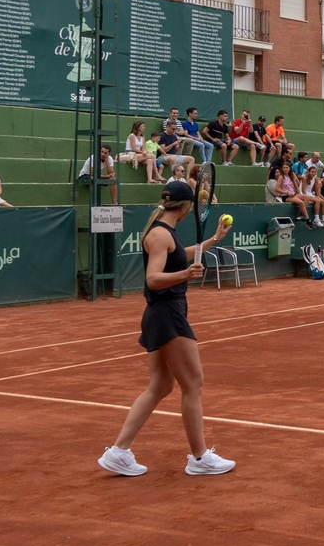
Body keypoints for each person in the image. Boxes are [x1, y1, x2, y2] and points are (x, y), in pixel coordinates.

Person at [98, 179, 235, 478]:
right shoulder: (160, 234)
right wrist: (185, 274)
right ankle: (199, 458)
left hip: (160, 314)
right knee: (194, 384)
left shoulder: (160, 230)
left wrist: (212, 240)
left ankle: (119, 452)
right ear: (185, 207)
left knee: (160, 386)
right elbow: (153, 279)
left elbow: (176, 254)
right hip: (167, 314)